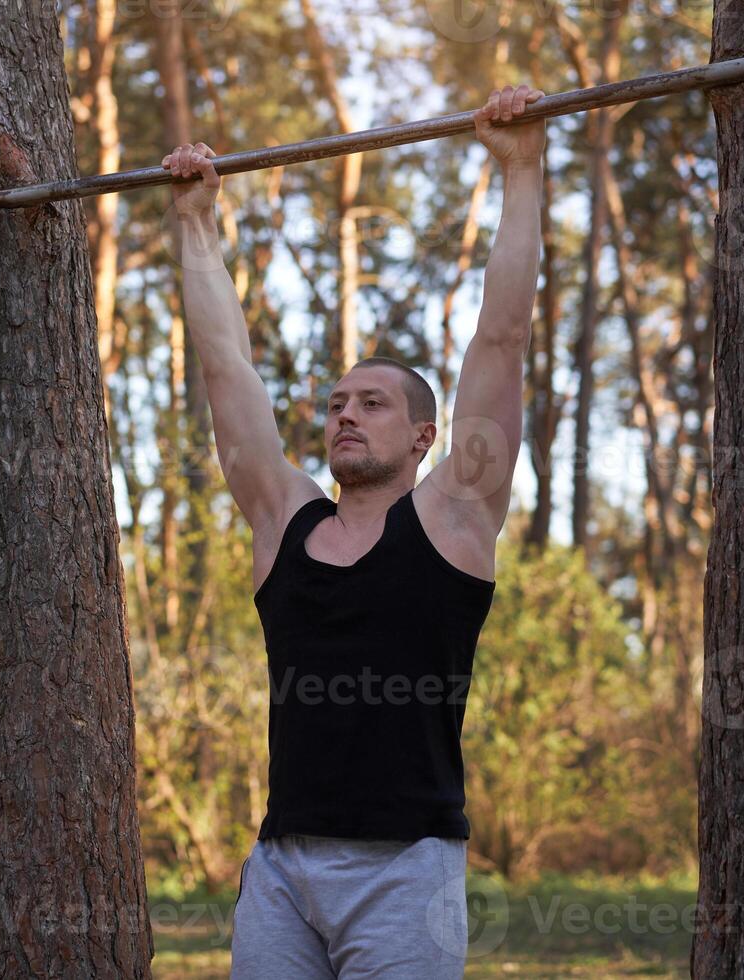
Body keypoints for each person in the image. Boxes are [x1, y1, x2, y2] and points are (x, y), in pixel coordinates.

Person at [160, 81, 545, 979]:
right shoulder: (285, 522)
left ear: (424, 435)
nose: (345, 415)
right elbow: (226, 372)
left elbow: (502, 339)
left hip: (408, 869)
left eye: (371, 403)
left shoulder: (454, 518)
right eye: (335, 404)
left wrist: (522, 170)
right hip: (283, 869)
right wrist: (195, 221)